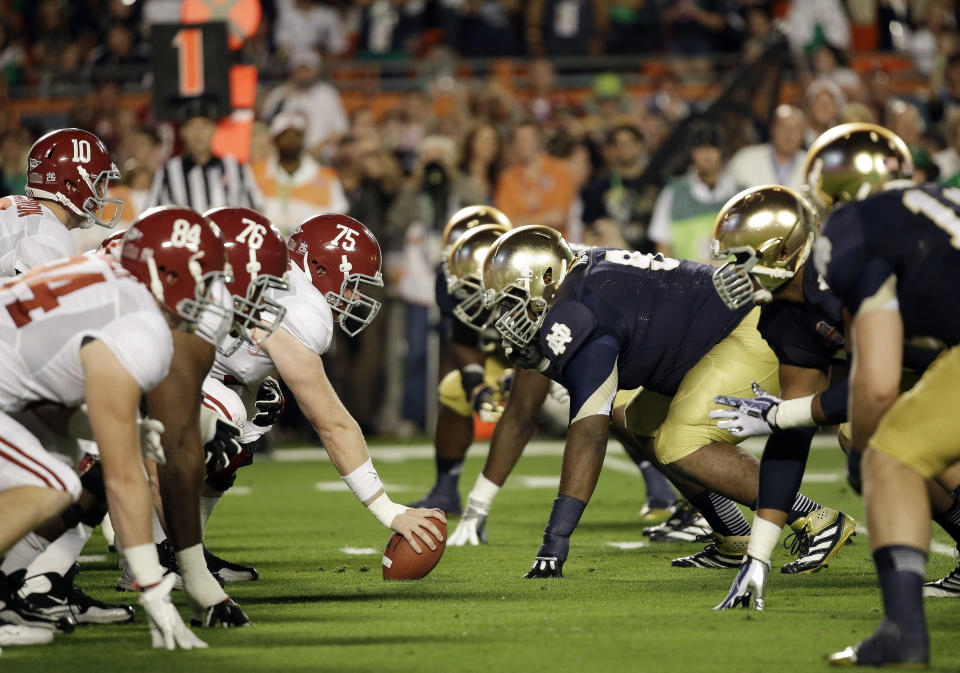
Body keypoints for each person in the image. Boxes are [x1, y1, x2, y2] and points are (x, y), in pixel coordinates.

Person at [481, 226, 831, 577]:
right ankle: (733, 534)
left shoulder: (579, 310)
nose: (507, 316)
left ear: (547, 277)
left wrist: (554, 541)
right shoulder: (578, 283)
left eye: (513, 300)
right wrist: (545, 363)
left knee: (680, 443)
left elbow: (589, 432)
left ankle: (816, 519)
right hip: (712, 337)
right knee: (642, 423)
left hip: (748, 331)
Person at [0, 205, 233, 651]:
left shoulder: (104, 275)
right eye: (203, 279)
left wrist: (111, 428)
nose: (208, 295)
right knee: (52, 483)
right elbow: (126, 478)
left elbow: (43, 397)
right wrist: (154, 592)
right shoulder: (139, 325)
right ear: (165, 272)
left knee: (61, 459)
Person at [197, 209, 445, 557]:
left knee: (257, 408)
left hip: (186, 361)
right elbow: (332, 424)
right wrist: (387, 510)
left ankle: (187, 546)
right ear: (320, 269)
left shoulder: (282, 280)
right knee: (228, 415)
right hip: (157, 361)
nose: (355, 298)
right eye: (353, 283)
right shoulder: (302, 307)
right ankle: (157, 553)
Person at [814, 182, 960, 668]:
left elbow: (876, 385)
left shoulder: (853, 226)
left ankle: (903, 630)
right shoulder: (939, 197)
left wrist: (861, 457)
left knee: (891, 456)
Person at [2, 128, 123, 277]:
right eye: (97, 185)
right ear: (70, 186)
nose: (100, 195)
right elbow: (40, 298)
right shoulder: (49, 233)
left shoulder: (20, 207)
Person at [144, 102, 263, 213]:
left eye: (204, 125)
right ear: (183, 132)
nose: (199, 133)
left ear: (214, 129)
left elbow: (256, 211)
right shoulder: (169, 171)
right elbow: (151, 215)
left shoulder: (236, 166)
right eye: (192, 126)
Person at [648, 123, 738, 264]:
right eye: (700, 149)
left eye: (713, 148)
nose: (707, 155)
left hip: (735, 281)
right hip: (688, 282)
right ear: (691, 153)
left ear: (722, 151)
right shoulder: (673, 192)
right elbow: (663, 247)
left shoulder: (740, 194)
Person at [251, 112, 349, 236]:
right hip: (266, 246)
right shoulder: (256, 172)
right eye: (285, 136)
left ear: (303, 139)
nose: (291, 141)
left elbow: (339, 218)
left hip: (309, 250)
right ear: (275, 140)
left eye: (297, 135)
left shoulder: (326, 177)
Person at [494, 120, 576, 235]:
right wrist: (546, 217)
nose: (521, 145)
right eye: (518, 140)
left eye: (526, 139)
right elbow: (507, 223)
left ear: (539, 140)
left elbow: (559, 217)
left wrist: (523, 220)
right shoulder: (507, 178)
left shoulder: (560, 171)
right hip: (520, 247)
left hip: (555, 247)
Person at [580, 124, 652, 250]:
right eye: (618, 144)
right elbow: (588, 231)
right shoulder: (597, 187)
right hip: (614, 260)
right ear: (611, 150)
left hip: (653, 258)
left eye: (630, 143)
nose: (624, 148)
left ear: (641, 146)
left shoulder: (657, 183)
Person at [726, 105, 807, 192]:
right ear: (772, 129)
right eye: (783, 127)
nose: (789, 134)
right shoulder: (744, 159)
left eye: (795, 129)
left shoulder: (813, 166)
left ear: (803, 133)